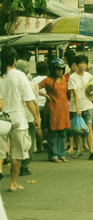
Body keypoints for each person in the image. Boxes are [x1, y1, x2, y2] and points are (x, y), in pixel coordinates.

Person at [0, 48, 41, 191]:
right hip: (17, 118)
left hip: (1, 119)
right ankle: (13, 183)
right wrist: (36, 117)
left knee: (0, 151)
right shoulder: (19, 75)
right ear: (14, 60)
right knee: (18, 152)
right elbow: (29, 99)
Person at [38, 59, 71, 163]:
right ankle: (53, 155)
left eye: (61, 69)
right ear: (53, 69)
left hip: (64, 109)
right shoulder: (48, 80)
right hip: (53, 109)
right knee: (54, 133)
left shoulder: (63, 80)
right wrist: (45, 95)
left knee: (63, 132)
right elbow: (34, 87)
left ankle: (62, 154)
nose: (60, 71)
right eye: (57, 69)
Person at [68, 54, 93, 160]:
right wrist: (77, 108)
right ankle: (78, 149)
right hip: (75, 106)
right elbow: (75, 93)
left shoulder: (89, 76)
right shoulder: (72, 77)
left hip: (88, 105)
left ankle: (91, 151)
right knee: (77, 129)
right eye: (80, 63)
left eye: (84, 63)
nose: (82, 65)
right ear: (76, 65)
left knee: (89, 127)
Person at [15, 59, 39, 176]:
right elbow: (34, 102)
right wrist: (37, 117)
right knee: (29, 142)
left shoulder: (10, 80)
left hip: (16, 117)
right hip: (28, 117)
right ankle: (24, 166)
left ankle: (16, 165)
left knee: (16, 143)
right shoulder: (30, 84)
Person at [32, 61, 49, 152]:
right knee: (46, 126)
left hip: (37, 105)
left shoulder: (34, 80)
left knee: (38, 126)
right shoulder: (48, 78)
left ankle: (40, 146)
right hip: (46, 104)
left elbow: (34, 91)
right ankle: (46, 141)